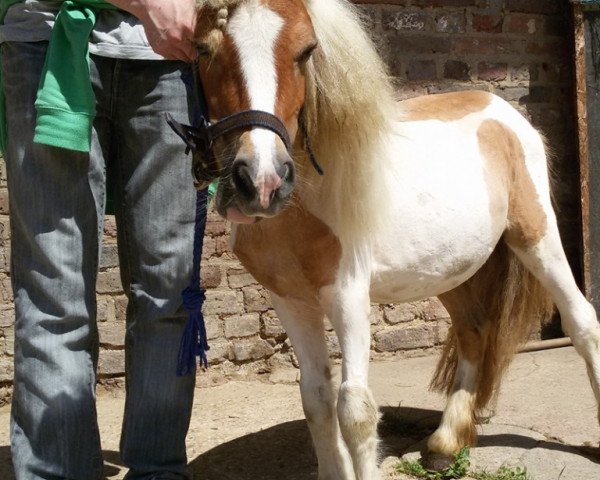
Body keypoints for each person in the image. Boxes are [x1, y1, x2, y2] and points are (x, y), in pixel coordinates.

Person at [0, 0, 203, 478]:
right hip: (48, 43)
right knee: (55, 293)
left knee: (169, 290)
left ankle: (159, 470)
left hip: (171, 58)